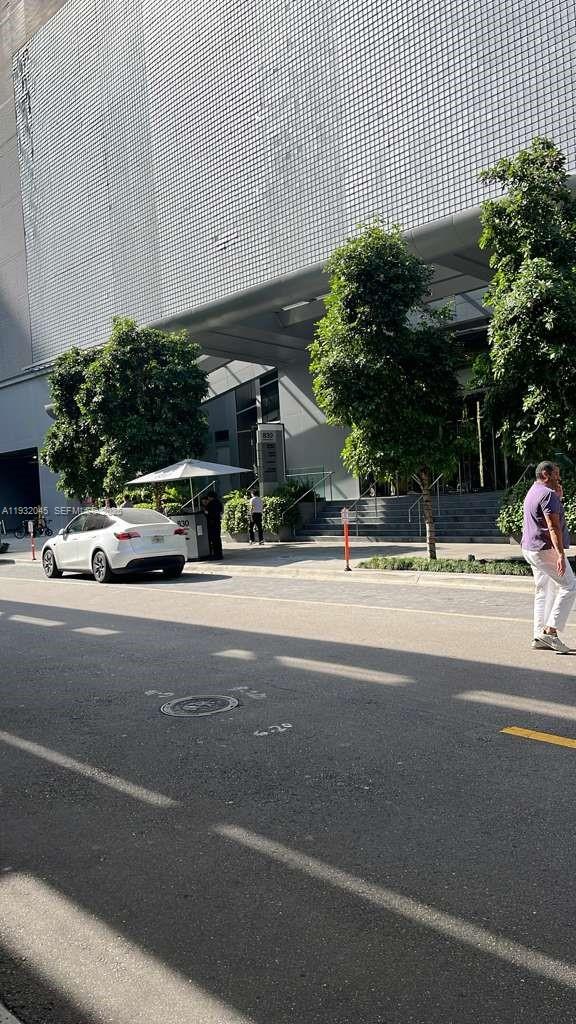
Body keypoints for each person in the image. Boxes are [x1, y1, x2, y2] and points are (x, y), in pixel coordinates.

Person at [522, 461, 576, 653]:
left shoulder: (534, 490)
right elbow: (553, 527)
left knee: (545, 590)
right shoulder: (547, 494)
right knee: (570, 585)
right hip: (545, 550)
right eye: (556, 474)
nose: (559, 478)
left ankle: (539, 636)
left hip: (530, 549)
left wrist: (558, 498)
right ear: (545, 474)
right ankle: (550, 632)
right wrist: (561, 555)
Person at [204, 491, 223, 560]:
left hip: (211, 523)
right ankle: (219, 554)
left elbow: (207, 512)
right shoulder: (219, 502)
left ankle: (215, 555)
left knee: (213, 539)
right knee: (218, 539)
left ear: (210, 497)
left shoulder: (210, 504)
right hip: (217, 522)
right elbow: (221, 511)